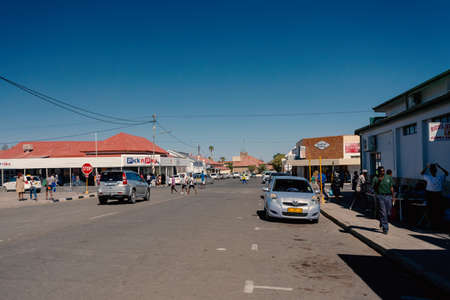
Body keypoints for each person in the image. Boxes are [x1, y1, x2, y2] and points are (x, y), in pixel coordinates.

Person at [421, 163, 448, 229]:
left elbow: (422, 173)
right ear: (436, 171)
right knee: (437, 209)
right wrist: (439, 166)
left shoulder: (428, 177)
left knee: (430, 209)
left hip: (430, 194)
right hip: (437, 194)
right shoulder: (440, 177)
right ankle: (435, 223)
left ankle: (430, 223)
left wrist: (426, 167)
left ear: (430, 171)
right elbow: (447, 173)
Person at [372, 166, 395, 234]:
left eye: (383, 170)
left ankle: (382, 222)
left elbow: (391, 187)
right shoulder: (375, 178)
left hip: (388, 196)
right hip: (380, 196)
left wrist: (393, 197)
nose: (382, 172)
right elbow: (373, 188)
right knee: (383, 212)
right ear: (378, 171)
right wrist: (378, 181)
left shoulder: (388, 177)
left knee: (388, 212)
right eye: (381, 171)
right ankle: (385, 228)